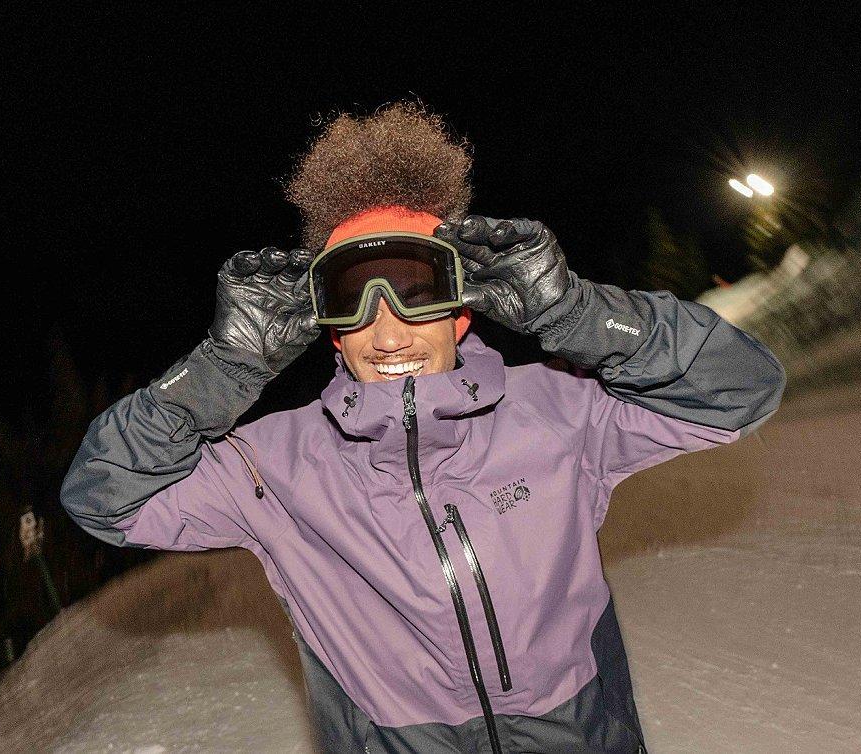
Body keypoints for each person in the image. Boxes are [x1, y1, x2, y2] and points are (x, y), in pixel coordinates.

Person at [60, 103, 785, 753]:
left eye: (414, 292)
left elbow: (741, 387)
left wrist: (578, 314)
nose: (389, 332)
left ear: (461, 308)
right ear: (328, 333)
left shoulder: (557, 414)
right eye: (354, 302)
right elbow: (102, 495)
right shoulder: (269, 470)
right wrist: (224, 368)